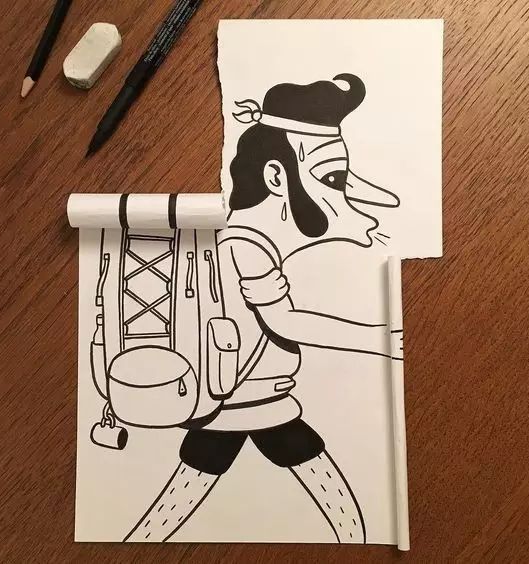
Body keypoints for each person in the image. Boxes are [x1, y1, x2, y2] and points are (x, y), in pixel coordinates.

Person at [125, 74, 401, 543]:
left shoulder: (247, 241)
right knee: (337, 509)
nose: (346, 196)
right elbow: (284, 320)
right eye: (333, 179)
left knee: (178, 504)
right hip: (243, 400)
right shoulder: (244, 245)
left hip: (252, 399)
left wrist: (352, 217)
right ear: (276, 177)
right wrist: (380, 338)